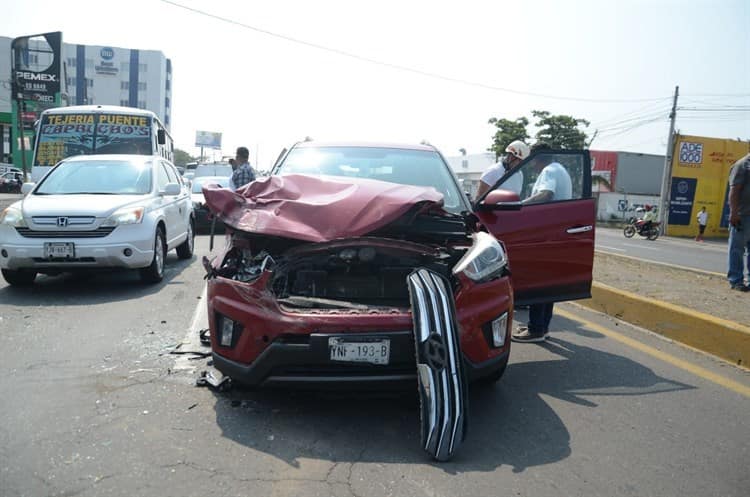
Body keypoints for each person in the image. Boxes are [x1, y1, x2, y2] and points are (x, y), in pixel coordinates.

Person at [512, 142, 573, 343]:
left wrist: (520, 206)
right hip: (557, 234)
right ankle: (542, 326)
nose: (531, 164)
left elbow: (546, 194)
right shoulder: (560, 169)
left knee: (538, 281)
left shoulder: (548, 171)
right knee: (548, 284)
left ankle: (536, 328)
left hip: (546, 234)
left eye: (532, 159)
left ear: (537, 157)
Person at [727, 152, 750, 292]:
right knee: (737, 249)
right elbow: (734, 190)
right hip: (742, 215)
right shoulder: (742, 165)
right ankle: (736, 280)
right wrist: (734, 212)